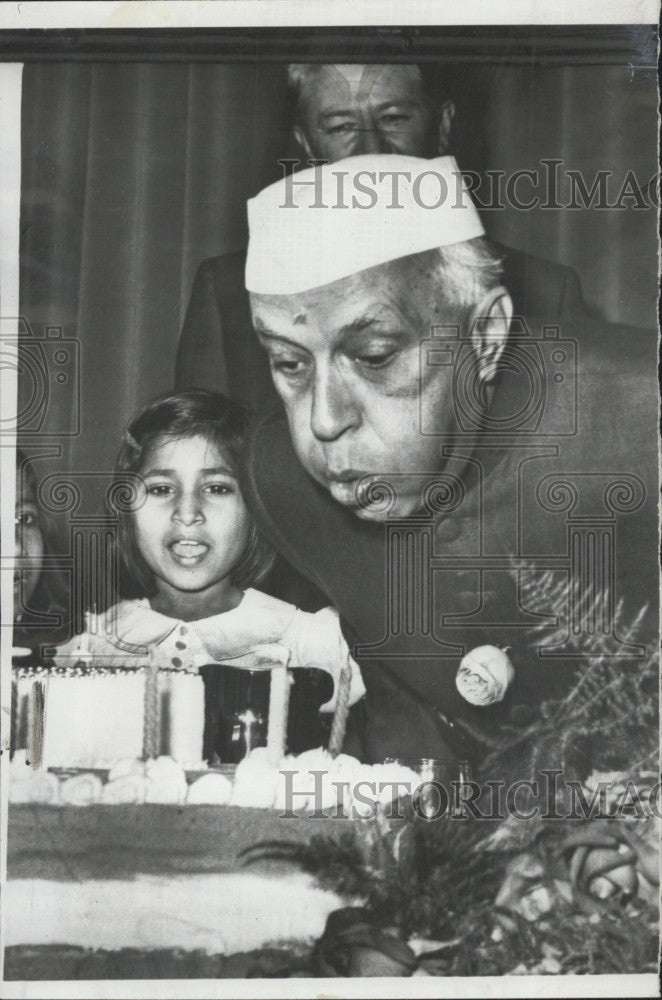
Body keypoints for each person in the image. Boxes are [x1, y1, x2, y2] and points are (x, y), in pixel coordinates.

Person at [242, 154, 658, 766]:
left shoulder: (642, 414)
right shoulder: (279, 480)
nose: (323, 421)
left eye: (376, 356)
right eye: (289, 363)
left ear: (485, 338)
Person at [175, 63, 588, 406]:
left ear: (442, 126)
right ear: (306, 146)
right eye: (340, 126)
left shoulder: (546, 292)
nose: (371, 149)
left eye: (394, 119)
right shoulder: (229, 292)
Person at [52, 390, 365, 758]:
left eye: (216, 488)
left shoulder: (312, 644)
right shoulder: (90, 650)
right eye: (161, 489)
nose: (187, 513)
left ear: (257, 509)